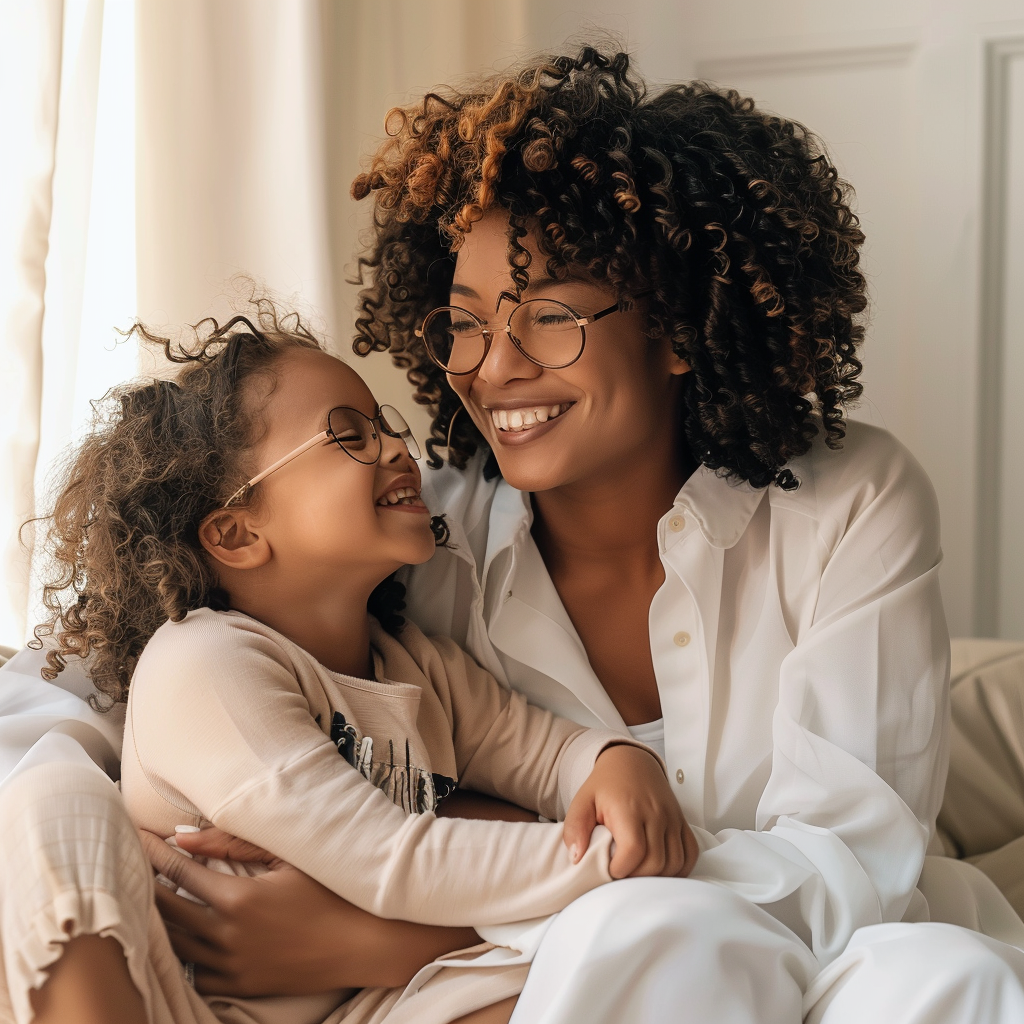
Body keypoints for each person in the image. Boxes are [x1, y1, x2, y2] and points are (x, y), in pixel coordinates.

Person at [3, 43, 1024, 1024]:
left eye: (544, 317)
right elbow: (107, 681)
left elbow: (858, 857)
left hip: (825, 948)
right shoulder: (414, 534)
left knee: (948, 977)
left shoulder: (851, 498)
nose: (490, 368)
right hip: (602, 959)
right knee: (661, 938)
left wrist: (391, 937)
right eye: (464, 321)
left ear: (676, 326)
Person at [1, 306, 697, 1024]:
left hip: (365, 1004)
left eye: (386, 424)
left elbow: (548, 753)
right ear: (238, 532)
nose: (398, 447)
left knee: (596, 969)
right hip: (180, 1005)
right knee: (53, 797)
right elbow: (391, 860)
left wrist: (616, 761)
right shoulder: (204, 663)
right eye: (349, 435)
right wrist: (615, 862)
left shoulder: (418, 665)